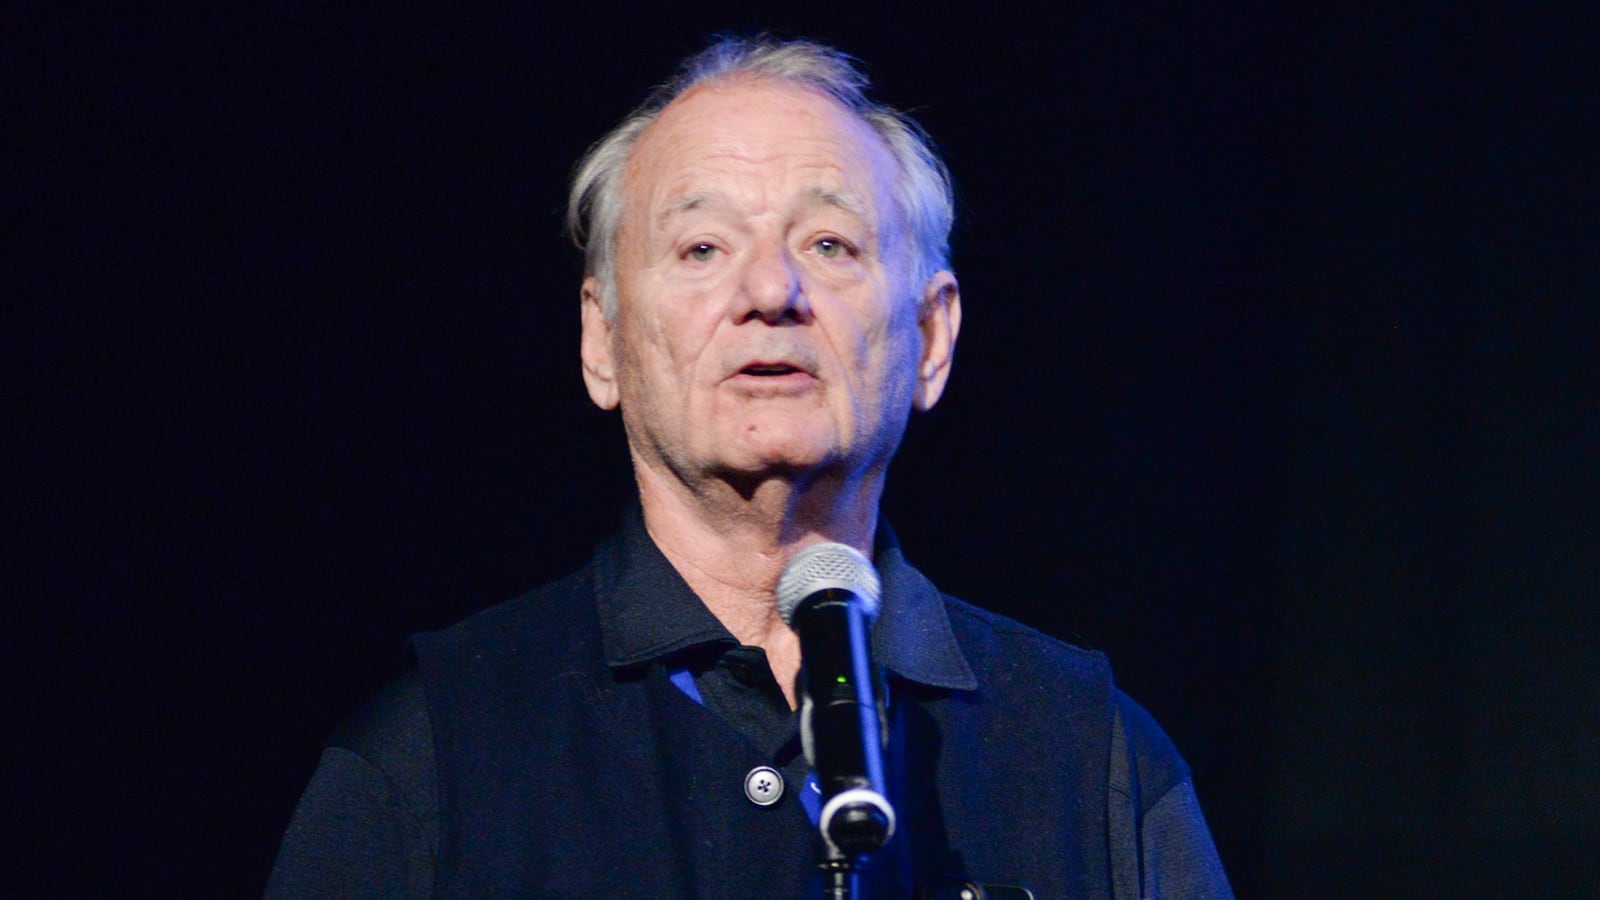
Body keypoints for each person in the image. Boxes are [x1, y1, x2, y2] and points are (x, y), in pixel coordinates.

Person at [266, 36, 1232, 899]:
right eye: (701, 247)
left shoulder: (1086, 752)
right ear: (602, 340)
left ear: (932, 337)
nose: (772, 290)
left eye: (829, 243)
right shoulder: (438, 748)